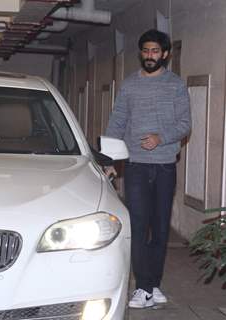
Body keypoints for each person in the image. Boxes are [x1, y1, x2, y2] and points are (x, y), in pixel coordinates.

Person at [105, 29, 191, 308]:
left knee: (161, 229)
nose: (150, 56)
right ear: (141, 53)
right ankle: (142, 287)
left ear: (164, 54)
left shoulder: (176, 85)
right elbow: (117, 123)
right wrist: (109, 161)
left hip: (165, 166)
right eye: (146, 51)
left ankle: (153, 284)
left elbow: (185, 124)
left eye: (155, 51)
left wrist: (160, 137)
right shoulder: (129, 86)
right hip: (137, 166)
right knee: (140, 227)